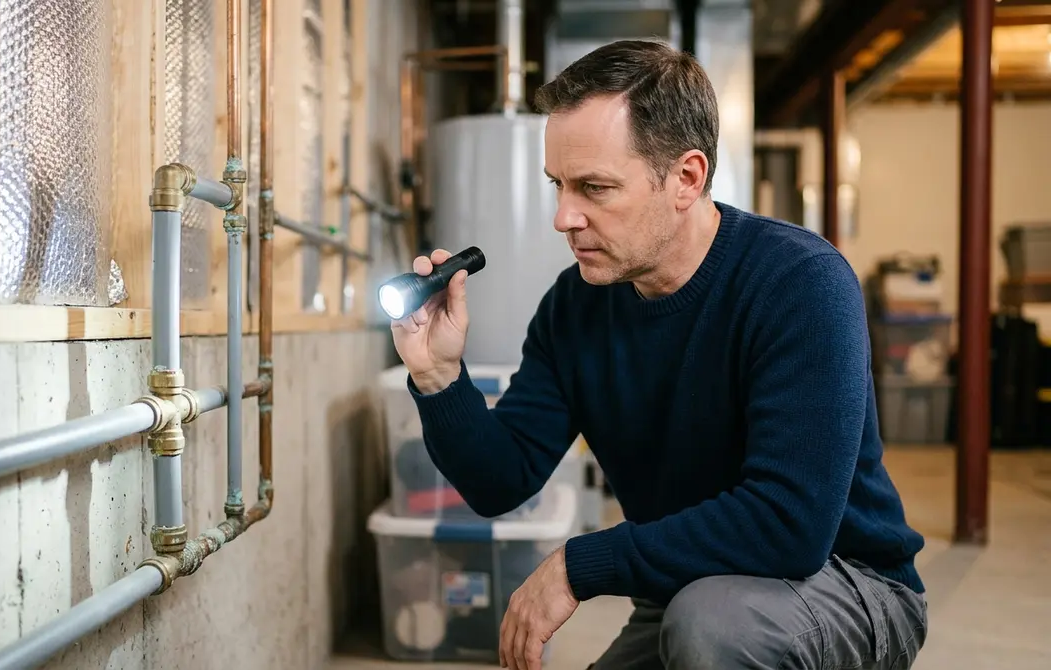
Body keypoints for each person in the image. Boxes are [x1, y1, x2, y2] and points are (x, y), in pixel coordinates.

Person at [388, 38, 928, 670]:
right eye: (558, 185)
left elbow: (790, 525)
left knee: (711, 630)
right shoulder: (575, 307)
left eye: (595, 187)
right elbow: (499, 480)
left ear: (685, 179)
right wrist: (438, 377)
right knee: (697, 618)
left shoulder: (800, 283)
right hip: (686, 588)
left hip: (845, 583)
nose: (564, 217)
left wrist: (577, 567)